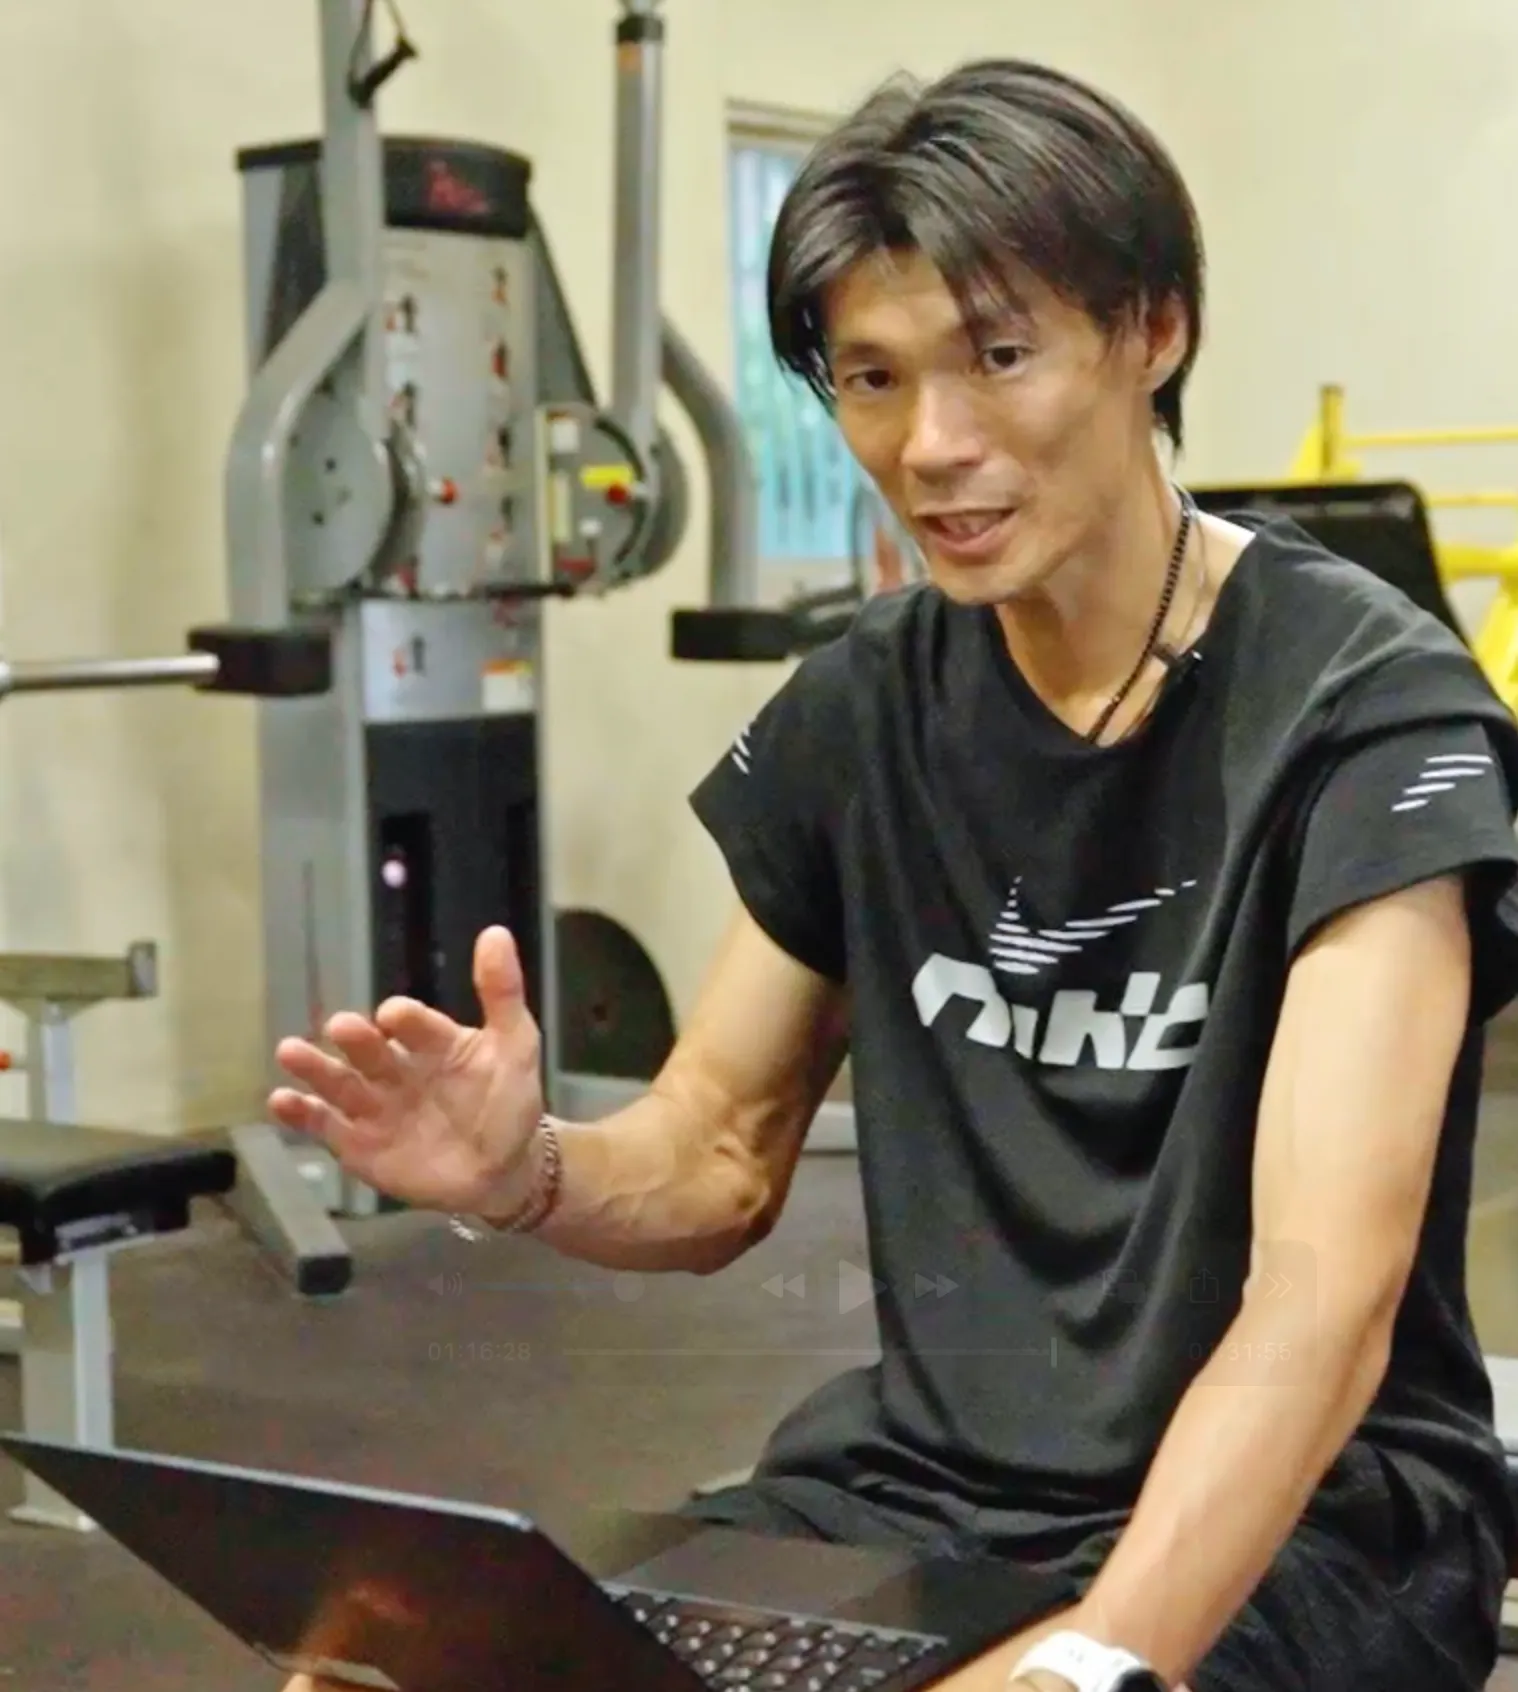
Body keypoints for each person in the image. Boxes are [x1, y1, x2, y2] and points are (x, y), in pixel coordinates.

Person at [269, 58, 1518, 1692]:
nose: (929, 445)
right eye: (870, 378)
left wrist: (1091, 1664)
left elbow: (1317, 1295)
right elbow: (717, 1152)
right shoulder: (861, 710)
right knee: (377, 1675)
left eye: (997, 357)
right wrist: (525, 1169)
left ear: (1152, 331)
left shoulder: (1365, 714)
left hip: (1314, 1523)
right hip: (921, 1492)